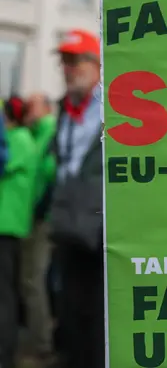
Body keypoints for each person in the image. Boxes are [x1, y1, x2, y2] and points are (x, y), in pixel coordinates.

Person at [47, 29, 104, 368]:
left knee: (97, 315)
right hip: (68, 229)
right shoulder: (65, 111)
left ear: (96, 64)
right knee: (69, 312)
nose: (68, 69)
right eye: (65, 62)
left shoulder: (111, 106)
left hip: (99, 233)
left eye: (75, 61)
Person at [17, 93, 57, 364]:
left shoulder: (48, 132)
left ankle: (41, 343)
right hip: (39, 216)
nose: (26, 112)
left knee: (34, 280)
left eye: (31, 107)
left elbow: (48, 174)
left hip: (43, 218)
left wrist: (38, 210)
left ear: (43, 108)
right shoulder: (38, 134)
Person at [0, 96, 38, 368]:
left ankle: (6, 353)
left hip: (7, 225)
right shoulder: (23, 138)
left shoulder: (20, 139)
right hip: (9, 224)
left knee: (5, 296)